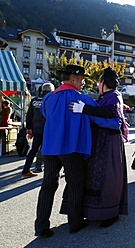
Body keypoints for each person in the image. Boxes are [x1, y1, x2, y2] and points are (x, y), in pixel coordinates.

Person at [34, 65, 121, 238]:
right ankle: (75, 223)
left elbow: (45, 114)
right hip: (72, 148)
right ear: (73, 78)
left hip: (50, 148)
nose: (83, 83)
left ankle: (41, 226)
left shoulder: (49, 98)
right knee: (75, 183)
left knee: (48, 185)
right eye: (82, 79)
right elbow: (105, 121)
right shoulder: (82, 99)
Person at [66, 67, 129, 227]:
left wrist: (85, 109)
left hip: (110, 141)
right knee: (97, 177)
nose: (97, 84)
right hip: (102, 141)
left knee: (109, 178)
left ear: (104, 82)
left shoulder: (113, 96)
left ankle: (111, 213)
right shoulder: (107, 96)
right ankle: (95, 211)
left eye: (99, 81)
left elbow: (109, 114)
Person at [21, 83, 55, 178]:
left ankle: (26, 170)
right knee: (48, 151)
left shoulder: (34, 100)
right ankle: (49, 173)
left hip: (36, 129)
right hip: (48, 130)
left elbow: (29, 115)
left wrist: (29, 128)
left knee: (33, 150)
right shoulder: (51, 100)